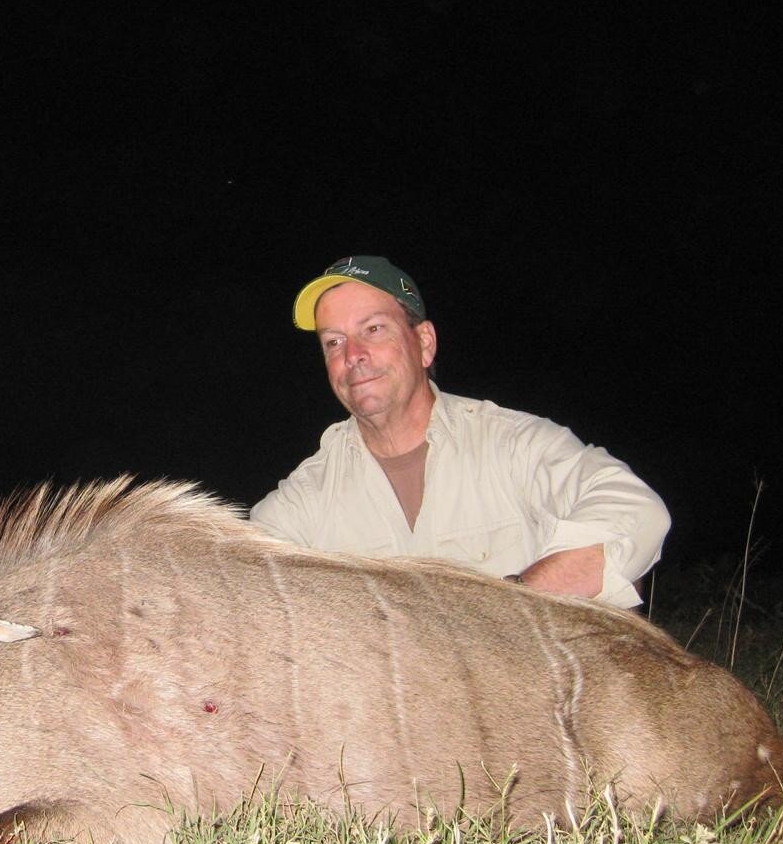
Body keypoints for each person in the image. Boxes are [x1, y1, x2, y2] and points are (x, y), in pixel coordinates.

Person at [249, 256, 670, 607]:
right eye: (333, 343)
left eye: (373, 330)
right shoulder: (309, 494)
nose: (353, 356)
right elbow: (244, 575)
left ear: (425, 343)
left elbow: (637, 511)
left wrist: (506, 608)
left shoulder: (510, 443)